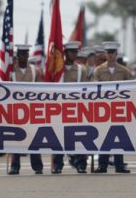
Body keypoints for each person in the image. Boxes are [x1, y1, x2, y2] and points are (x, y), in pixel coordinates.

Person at [93, 42, 131, 174]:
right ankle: (102, 165)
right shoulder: (98, 70)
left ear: (116, 54)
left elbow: (132, 88)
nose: (110, 55)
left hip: (119, 107)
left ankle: (119, 165)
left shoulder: (124, 71)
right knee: (103, 135)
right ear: (105, 54)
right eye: (108, 53)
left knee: (119, 136)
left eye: (113, 53)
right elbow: (95, 89)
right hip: (103, 108)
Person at [52, 41, 88, 174]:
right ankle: (57, 164)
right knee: (57, 136)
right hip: (59, 108)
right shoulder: (56, 69)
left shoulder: (81, 69)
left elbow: (86, 89)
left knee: (79, 136)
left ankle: (80, 163)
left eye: (75, 52)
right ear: (65, 53)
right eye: (71, 52)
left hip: (76, 107)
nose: (74, 54)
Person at [7, 44, 44, 175]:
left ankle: (37, 166)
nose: (23, 56)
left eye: (25, 54)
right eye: (21, 54)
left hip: (31, 109)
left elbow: (41, 90)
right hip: (15, 109)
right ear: (17, 56)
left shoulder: (35, 71)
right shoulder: (10, 72)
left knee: (34, 138)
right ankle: (14, 166)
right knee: (15, 138)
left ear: (28, 55)